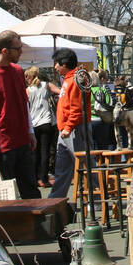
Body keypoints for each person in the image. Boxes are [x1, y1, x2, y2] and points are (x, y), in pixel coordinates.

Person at [0, 31, 39, 199]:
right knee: (9, 194)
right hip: (3, 144)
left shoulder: (18, 71)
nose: (21, 52)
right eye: (17, 48)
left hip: (22, 140)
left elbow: (24, 104)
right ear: (5, 51)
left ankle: (36, 224)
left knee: (30, 189)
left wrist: (30, 131)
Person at [49, 48, 89, 201]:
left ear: (64, 64)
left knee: (85, 165)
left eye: (57, 64)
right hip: (66, 129)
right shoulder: (68, 80)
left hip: (73, 129)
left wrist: (68, 127)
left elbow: (77, 108)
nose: (55, 67)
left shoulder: (75, 80)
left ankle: (96, 199)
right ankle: (55, 198)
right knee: (63, 167)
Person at [25, 67, 57, 188]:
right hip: (46, 122)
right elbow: (61, 92)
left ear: (31, 77)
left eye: (27, 77)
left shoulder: (28, 90)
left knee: (34, 151)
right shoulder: (46, 85)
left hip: (33, 123)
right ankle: (43, 178)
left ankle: (34, 177)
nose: (26, 79)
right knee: (45, 151)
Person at [89, 72, 116, 151]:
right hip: (102, 120)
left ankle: (94, 162)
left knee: (91, 145)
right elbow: (108, 104)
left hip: (89, 120)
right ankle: (103, 162)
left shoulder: (86, 91)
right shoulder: (103, 90)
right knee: (103, 145)